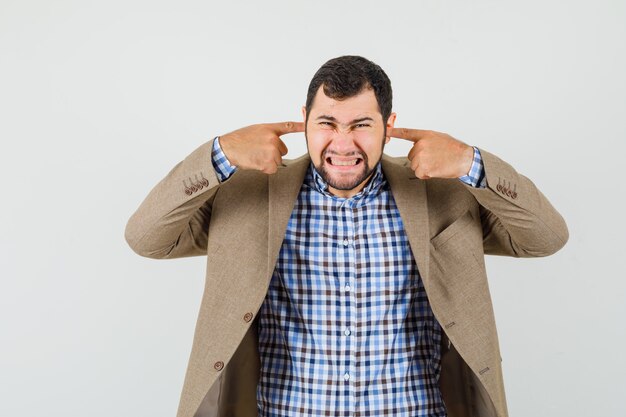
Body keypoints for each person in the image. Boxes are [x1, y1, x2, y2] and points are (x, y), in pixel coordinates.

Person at [125, 55, 568, 417]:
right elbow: (147, 237)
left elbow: (545, 237)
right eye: (327, 123)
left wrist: (473, 163)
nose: (342, 143)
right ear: (303, 121)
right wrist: (218, 155)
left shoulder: (444, 194)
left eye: (361, 124)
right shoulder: (247, 195)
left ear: (388, 126)